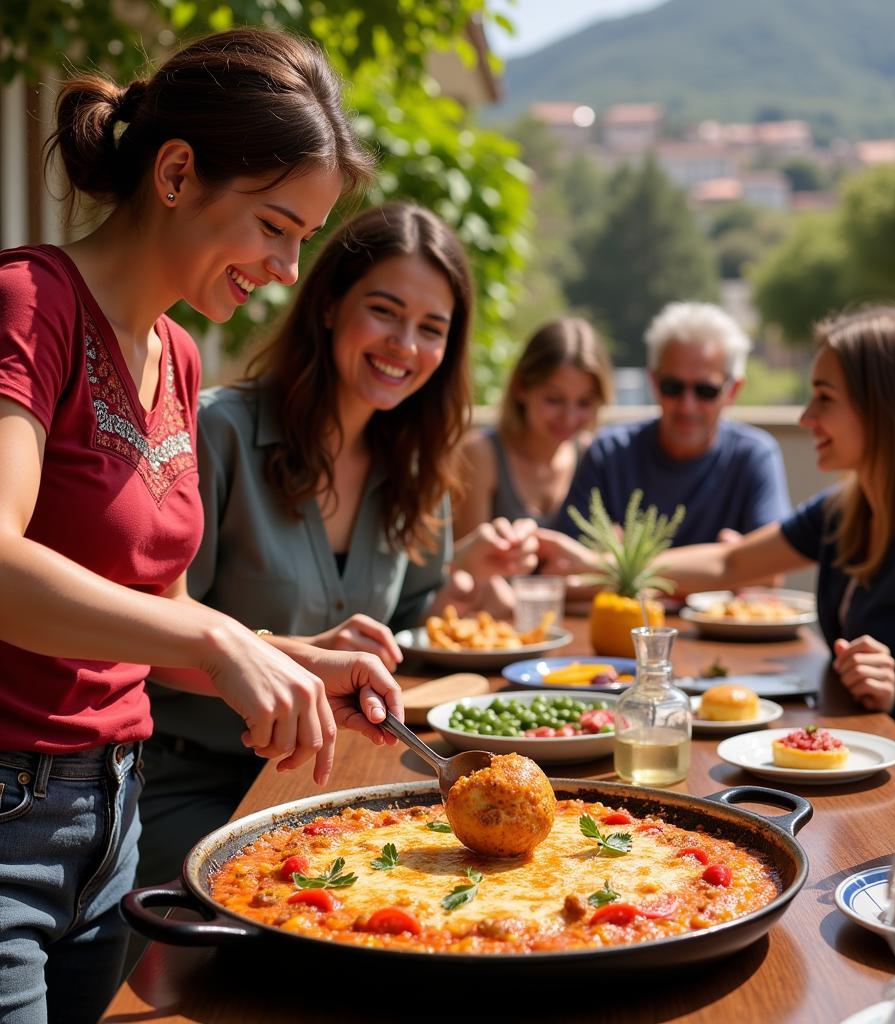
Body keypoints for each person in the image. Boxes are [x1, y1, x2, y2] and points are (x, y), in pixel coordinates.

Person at [0, 30, 405, 1024]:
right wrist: (218, 637)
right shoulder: (27, 303)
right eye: (276, 224)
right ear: (177, 172)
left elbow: (153, 611)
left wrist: (292, 660)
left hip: (114, 827)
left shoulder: (177, 355)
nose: (283, 266)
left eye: (303, 237)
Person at [138, 202, 538, 887]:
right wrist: (306, 656)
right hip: (197, 786)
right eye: (384, 311)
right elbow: (149, 640)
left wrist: (465, 575)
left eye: (431, 328)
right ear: (327, 306)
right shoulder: (217, 435)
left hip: (341, 786)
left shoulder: (419, 467)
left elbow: (411, 623)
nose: (405, 345)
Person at [547, 307, 895, 736]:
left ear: (885, 409)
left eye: (824, 398)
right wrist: (603, 561)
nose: (806, 415)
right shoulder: (845, 511)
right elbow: (730, 562)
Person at [551, 301, 790, 554]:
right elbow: (564, 564)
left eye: (705, 391)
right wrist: (727, 563)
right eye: (672, 387)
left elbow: (772, 568)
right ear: (653, 382)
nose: (687, 406)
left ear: (732, 391)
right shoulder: (608, 453)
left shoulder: (754, 455)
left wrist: (624, 562)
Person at [453, 317, 613, 537]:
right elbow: (463, 561)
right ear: (521, 387)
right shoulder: (480, 454)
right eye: (554, 399)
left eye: (584, 403)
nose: (569, 418)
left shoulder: (590, 455)